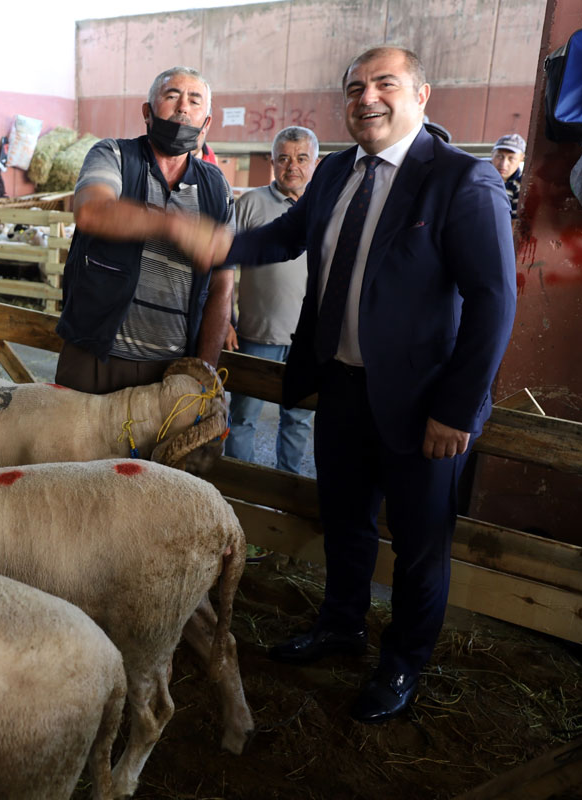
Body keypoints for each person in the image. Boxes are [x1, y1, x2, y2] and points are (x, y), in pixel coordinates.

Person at [211, 46, 516, 723]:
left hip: (423, 404)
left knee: (418, 543)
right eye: (354, 88)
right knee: (345, 521)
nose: (366, 97)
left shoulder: (462, 180)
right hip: (343, 391)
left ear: (422, 94)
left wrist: (455, 409)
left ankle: (404, 661)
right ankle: (342, 625)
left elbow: (494, 303)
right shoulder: (335, 174)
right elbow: (287, 233)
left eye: (384, 83)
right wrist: (214, 243)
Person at [54, 66, 235, 395]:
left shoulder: (216, 186)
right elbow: (91, 211)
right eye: (172, 96)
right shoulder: (114, 155)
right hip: (94, 356)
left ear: (206, 123)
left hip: (170, 369)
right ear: (147, 112)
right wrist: (173, 224)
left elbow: (222, 283)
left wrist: (205, 370)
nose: (183, 107)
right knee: (75, 445)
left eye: (195, 101)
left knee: (159, 449)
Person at [224, 126, 319, 473]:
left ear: (315, 163)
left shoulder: (324, 207)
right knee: (243, 415)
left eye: (301, 158)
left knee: (297, 420)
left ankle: (288, 491)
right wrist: (226, 320)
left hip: (308, 340)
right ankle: (238, 488)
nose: (292, 166)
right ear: (273, 163)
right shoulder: (249, 204)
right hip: (255, 333)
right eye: (284, 158)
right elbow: (224, 264)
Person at [490, 133, 525, 218]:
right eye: (499, 156)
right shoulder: (478, 175)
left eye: (511, 158)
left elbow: (514, 222)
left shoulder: (521, 185)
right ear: (492, 154)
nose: (503, 164)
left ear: (522, 158)